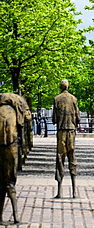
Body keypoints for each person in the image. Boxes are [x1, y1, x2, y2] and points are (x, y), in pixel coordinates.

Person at [0, 93, 31, 225]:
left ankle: (0, 217)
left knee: (1, 183)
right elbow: (27, 119)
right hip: (10, 146)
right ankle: (16, 217)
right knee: (10, 182)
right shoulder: (17, 108)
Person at [52, 79, 80, 198]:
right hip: (71, 131)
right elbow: (78, 117)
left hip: (61, 132)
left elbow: (54, 119)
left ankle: (59, 191)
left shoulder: (56, 99)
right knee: (72, 158)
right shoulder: (73, 99)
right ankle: (74, 192)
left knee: (60, 158)